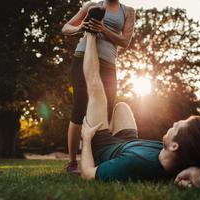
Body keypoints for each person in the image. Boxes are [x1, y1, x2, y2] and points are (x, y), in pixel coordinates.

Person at [79, 32, 200, 182]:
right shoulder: (181, 157)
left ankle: (90, 35)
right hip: (127, 145)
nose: (175, 123)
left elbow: (88, 174)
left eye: (178, 126)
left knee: (95, 87)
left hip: (105, 148)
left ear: (175, 146)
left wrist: (86, 139)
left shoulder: (134, 165)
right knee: (122, 107)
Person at [62, 0, 135, 173]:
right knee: (79, 108)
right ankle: (72, 162)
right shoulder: (91, 6)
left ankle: (99, 157)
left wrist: (102, 29)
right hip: (83, 57)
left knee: (106, 111)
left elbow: (125, 41)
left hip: (108, 64)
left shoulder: (128, 11)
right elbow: (66, 28)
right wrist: (81, 27)